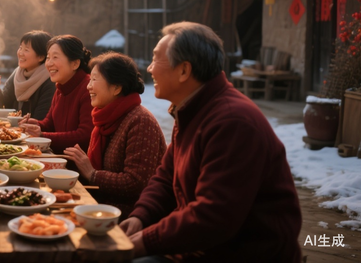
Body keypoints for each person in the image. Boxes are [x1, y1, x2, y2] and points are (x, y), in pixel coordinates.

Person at [120, 22, 302, 262]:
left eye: (156, 59)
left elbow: (213, 216)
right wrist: (141, 216)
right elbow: (165, 177)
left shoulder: (232, 122)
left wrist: (146, 241)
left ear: (184, 71)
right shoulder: (191, 108)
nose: (150, 69)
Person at [63, 52, 166, 220]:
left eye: (94, 80)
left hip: (131, 216)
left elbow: (136, 182)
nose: (88, 86)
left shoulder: (140, 121)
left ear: (117, 88)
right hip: (103, 204)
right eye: (89, 80)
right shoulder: (105, 117)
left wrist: (92, 174)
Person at [19, 35, 93, 154]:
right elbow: (50, 124)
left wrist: (42, 135)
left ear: (75, 64)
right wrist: (35, 125)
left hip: (76, 166)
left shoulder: (88, 88)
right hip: (57, 157)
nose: (49, 63)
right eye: (48, 58)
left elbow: (84, 135)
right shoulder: (61, 86)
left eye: (55, 57)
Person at [0, 30, 55, 120]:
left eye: (26, 50)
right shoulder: (17, 74)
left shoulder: (50, 80)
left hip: (34, 132)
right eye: (20, 48)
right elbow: (4, 106)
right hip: (15, 130)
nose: (20, 53)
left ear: (41, 57)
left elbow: (41, 119)